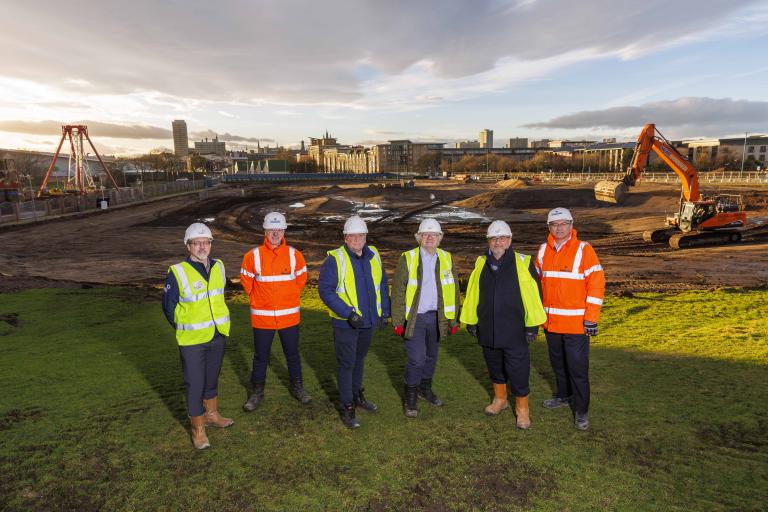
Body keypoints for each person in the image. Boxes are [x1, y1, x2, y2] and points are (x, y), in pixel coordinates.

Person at [459, 220, 546, 429]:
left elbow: (535, 296)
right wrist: (471, 320)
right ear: (488, 241)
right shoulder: (481, 263)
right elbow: (472, 294)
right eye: (494, 238)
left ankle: (522, 409)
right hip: (488, 327)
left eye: (502, 238)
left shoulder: (524, 262)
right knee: (494, 366)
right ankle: (500, 399)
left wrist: (532, 326)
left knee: (518, 369)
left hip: (515, 329)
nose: (498, 242)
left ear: (510, 240)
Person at [162, 223, 233, 450]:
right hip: (192, 340)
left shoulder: (219, 266)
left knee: (211, 378)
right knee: (195, 384)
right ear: (188, 246)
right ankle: (198, 429)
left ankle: (211, 415)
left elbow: (218, 296)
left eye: (206, 242)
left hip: (217, 334)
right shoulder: (177, 272)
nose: (202, 246)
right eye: (197, 243)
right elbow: (169, 308)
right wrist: (186, 326)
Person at [535, 207, 605, 431]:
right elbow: (534, 283)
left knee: (577, 369)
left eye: (563, 224)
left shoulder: (584, 249)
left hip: (576, 325)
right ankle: (563, 396)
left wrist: (591, 318)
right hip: (551, 324)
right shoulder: (543, 250)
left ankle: (582, 411)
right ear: (549, 227)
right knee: (558, 365)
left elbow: (596, 284)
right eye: (555, 225)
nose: (559, 228)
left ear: (571, 226)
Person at [318, 215, 391, 429]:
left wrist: (384, 312)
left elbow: (382, 284)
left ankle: (358, 396)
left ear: (366, 236)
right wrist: (348, 313)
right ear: (345, 237)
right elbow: (326, 291)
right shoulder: (335, 259)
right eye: (352, 235)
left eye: (360, 235)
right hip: (346, 323)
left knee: (359, 361)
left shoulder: (373, 255)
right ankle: (347, 405)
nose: (357, 239)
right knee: (347, 364)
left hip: (368, 321)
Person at [240, 212, 310, 411]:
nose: (275, 233)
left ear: (284, 230)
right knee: (261, 356)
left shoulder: (294, 255)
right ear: (265, 230)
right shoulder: (252, 256)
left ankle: (298, 388)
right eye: (272, 230)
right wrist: (258, 299)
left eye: (279, 230)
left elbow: (300, 281)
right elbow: (247, 282)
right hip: (262, 318)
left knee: (292, 354)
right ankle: (257, 392)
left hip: (289, 317)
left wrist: (287, 296)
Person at [391, 218, 460, 418]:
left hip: (437, 318)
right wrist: (397, 322)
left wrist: (453, 320)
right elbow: (397, 291)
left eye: (434, 235)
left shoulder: (447, 258)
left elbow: (453, 290)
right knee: (417, 359)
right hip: (416, 319)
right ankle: (410, 397)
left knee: (431, 357)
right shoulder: (408, 258)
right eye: (425, 235)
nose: (430, 238)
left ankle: (424, 389)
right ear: (419, 237)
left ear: (440, 238)